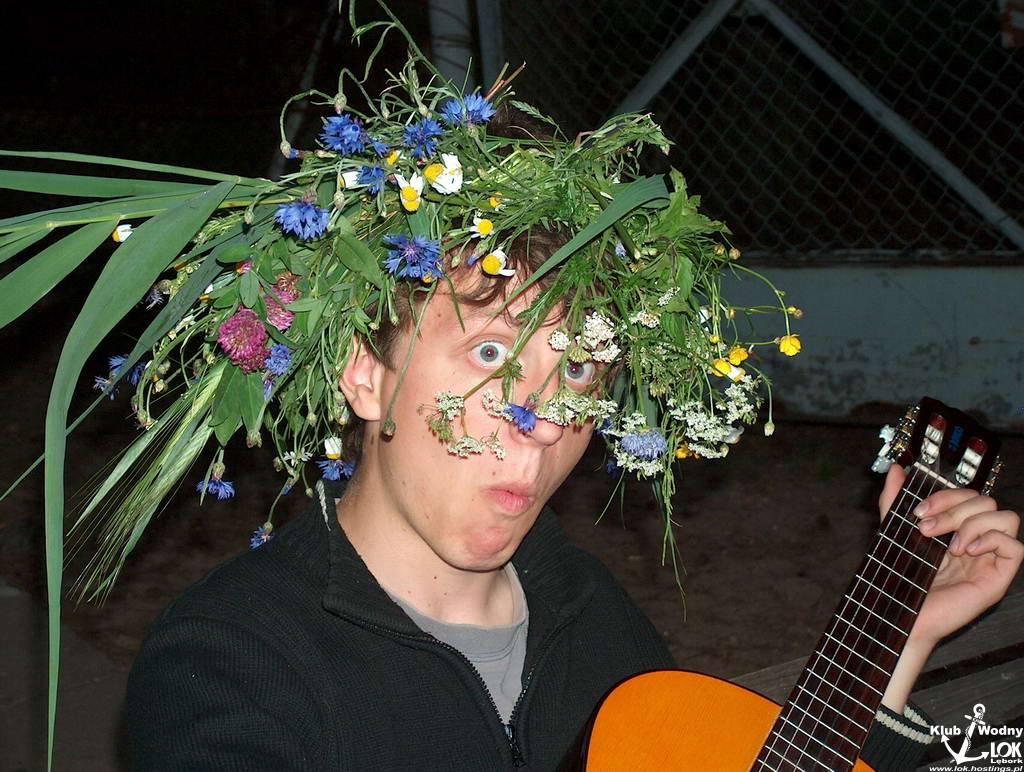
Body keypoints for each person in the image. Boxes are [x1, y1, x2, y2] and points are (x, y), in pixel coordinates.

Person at [123, 231, 1022, 769]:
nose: (543, 420)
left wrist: (895, 641)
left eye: (581, 369)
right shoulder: (229, 663)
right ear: (366, 373)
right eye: (492, 354)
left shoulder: (595, 620)